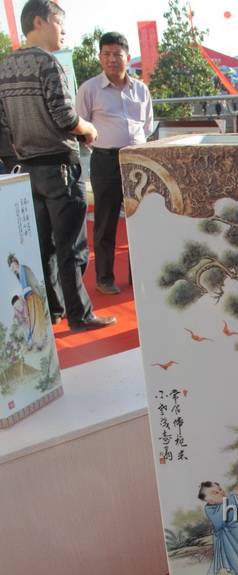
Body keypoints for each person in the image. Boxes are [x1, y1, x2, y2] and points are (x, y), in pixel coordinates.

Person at [0, 1, 116, 332]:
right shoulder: (48, 63)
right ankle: (80, 315)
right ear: (39, 21)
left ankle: (54, 310)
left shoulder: (5, 66)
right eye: (59, 23)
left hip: (26, 168)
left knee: (44, 245)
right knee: (71, 247)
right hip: (59, 167)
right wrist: (88, 128)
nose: (63, 31)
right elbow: (65, 116)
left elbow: (3, 122)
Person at [76, 32, 153, 295]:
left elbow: (147, 126)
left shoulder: (141, 89)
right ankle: (104, 278)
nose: (112, 59)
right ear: (100, 57)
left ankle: (139, 277)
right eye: (106, 54)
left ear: (127, 57)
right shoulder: (89, 89)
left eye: (117, 54)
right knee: (106, 223)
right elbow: (81, 125)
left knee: (141, 220)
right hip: (106, 161)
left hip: (138, 162)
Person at [7, 254, 48, 350]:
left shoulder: (24, 269)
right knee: (33, 321)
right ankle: (38, 343)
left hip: (33, 296)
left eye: (13, 266)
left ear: (16, 262)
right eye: (11, 268)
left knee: (37, 321)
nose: (13, 269)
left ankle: (41, 342)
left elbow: (33, 282)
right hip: (28, 300)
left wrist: (35, 294)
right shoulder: (18, 274)